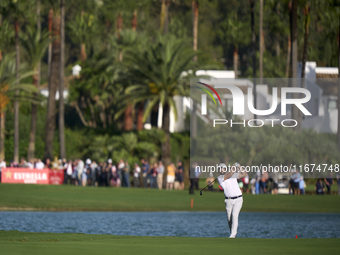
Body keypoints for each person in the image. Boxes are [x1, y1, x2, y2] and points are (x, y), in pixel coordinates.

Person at [217, 162, 248, 238]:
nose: (221, 170)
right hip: (228, 201)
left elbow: (244, 174)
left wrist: (239, 166)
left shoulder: (233, 175)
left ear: (225, 169)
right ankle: (232, 233)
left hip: (238, 199)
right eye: (220, 169)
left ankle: (233, 235)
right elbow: (230, 174)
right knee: (229, 219)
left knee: (234, 216)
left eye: (223, 168)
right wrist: (234, 166)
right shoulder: (220, 178)